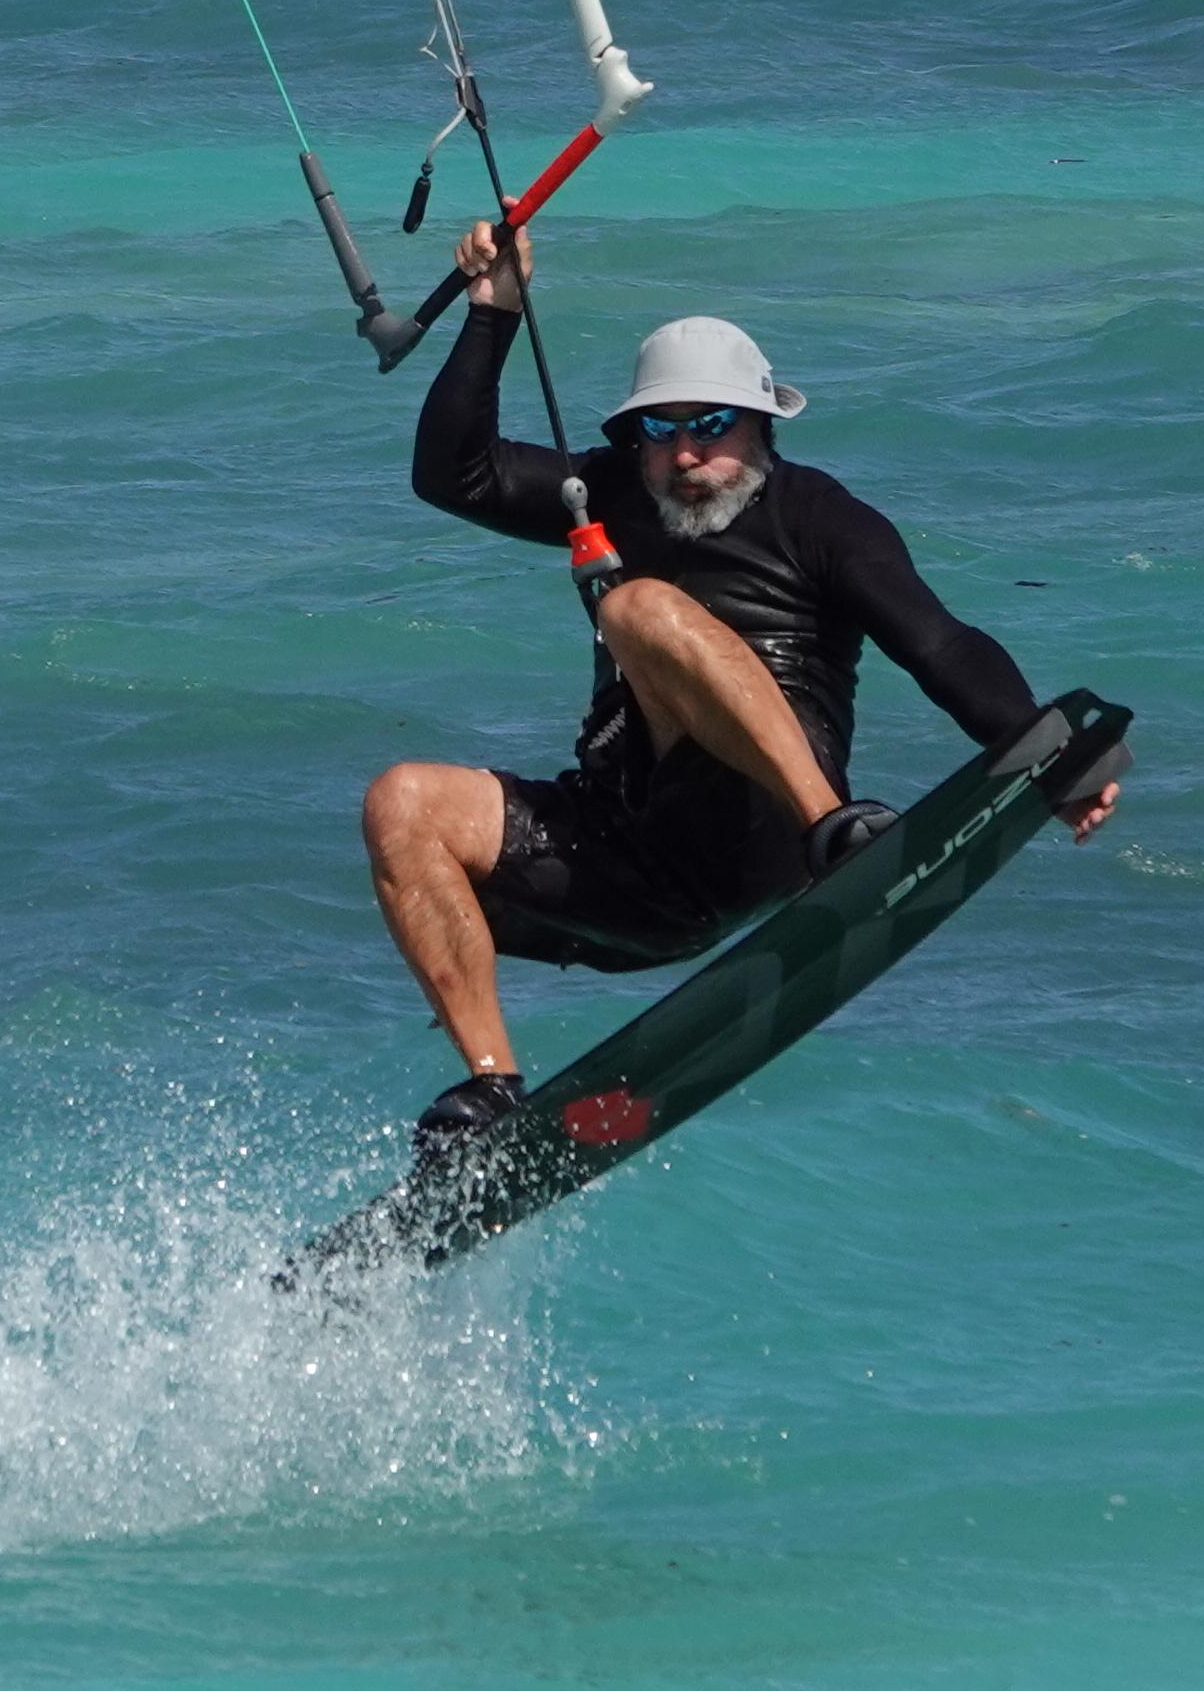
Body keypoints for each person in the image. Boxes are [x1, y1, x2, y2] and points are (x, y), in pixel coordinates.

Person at [359, 217, 1118, 1156]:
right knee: (403, 804)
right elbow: (452, 474)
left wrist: (1049, 755)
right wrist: (494, 311)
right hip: (632, 851)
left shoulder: (821, 517)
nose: (687, 454)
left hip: (770, 823)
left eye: (711, 427)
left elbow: (939, 642)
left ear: (761, 424)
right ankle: (491, 1093)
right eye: (662, 431)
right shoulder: (604, 495)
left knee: (638, 608)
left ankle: (834, 833)